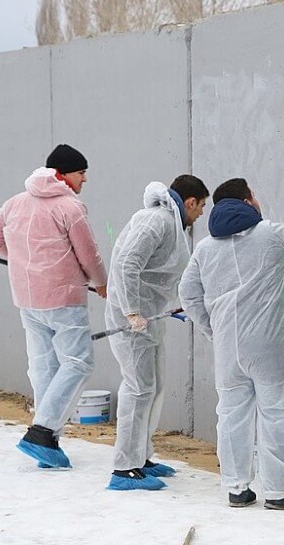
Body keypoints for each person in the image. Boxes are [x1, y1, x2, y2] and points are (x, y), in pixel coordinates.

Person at [178, 178, 284, 510]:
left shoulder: (204, 248)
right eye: (254, 196)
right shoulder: (272, 233)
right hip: (272, 348)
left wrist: (212, 329)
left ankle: (236, 488)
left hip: (228, 349)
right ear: (247, 202)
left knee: (231, 416)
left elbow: (187, 295)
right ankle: (277, 491)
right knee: (277, 415)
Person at [0, 143, 108, 468]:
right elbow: (88, 252)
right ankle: (41, 432)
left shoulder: (15, 202)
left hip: (27, 299)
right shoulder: (70, 207)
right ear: (62, 174)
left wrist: (29, 263)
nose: (84, 180)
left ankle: (48, 443)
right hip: (63, 298)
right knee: (78, 363)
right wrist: (101, 282)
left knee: (44, 368)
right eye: (81, 173)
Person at [105, 175, 209, 491]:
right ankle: (124, 469)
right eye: (202, 206)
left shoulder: (171, 225)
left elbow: (160, 273)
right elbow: (126, 265)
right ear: (190, 202)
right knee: (138, 389)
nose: (201, 214)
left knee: (154, 386)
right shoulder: (156, 221)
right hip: (132, 318)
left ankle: (142, 457)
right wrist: (131, 310)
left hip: (149, 317)